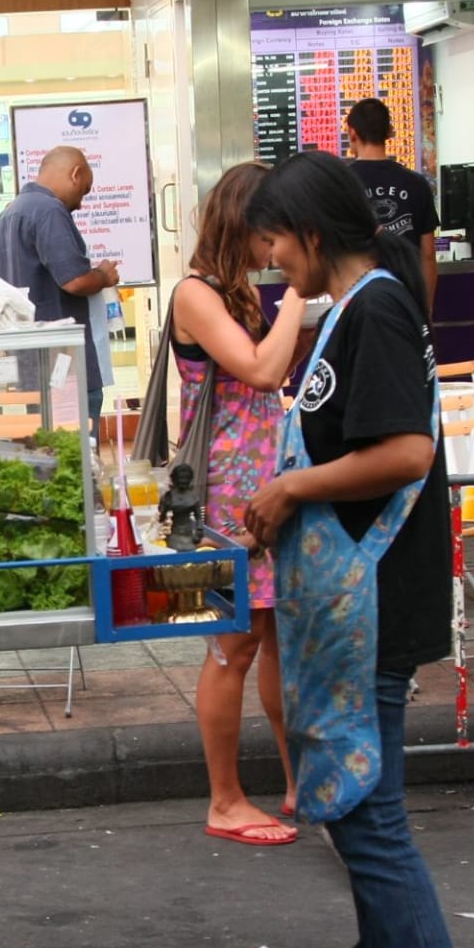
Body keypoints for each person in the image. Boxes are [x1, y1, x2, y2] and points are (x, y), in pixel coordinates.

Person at [242, 150, 474, 948]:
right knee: (350, 806)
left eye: (270, 242)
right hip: (350, 598)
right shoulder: (351, 306)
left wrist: (292, 488)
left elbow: (405, 450)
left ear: (308, 231)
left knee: (369, 818)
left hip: (373, 598)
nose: (266, 261)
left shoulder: (378, 306)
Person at [163, 162, 307, 846]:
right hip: (225, 497)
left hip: (264, 485)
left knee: (277, 638)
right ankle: (224, 800)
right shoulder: (195, 294)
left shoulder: (239, 290)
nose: (278, 245)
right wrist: (303, 297)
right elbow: (261, 369)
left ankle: (298, 784)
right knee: (233, 644)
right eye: (272, 229)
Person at [0, 146, 119, 434]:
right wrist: (103, 276)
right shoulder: (49, 211)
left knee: (48, 445)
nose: (81, 204)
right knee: (77, 452)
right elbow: (75, 280)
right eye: (83, 191)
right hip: (63, 361)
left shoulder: (6, 217)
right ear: (76, 174)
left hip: (30, 361)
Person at [344, 98, 440, 306]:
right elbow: (428, 255)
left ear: (352, 133)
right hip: (406, 302)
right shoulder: (417, 184)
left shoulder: (340, 184)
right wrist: (425, 312)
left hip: (357, 302)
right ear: (389, 132)